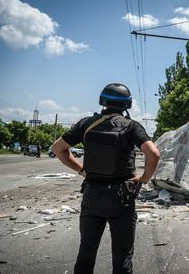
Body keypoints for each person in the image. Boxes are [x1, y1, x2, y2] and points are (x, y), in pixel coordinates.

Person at [51, 83, 160, 274]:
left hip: (92, 196)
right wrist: (143, 178)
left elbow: (57, 149)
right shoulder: (132, 126)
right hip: (121, 199)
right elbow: (153, 154)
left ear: (102, 101)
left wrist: (81, 170)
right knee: (122, 259)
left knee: (85, 254)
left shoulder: (86, 124)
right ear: (127, 105)